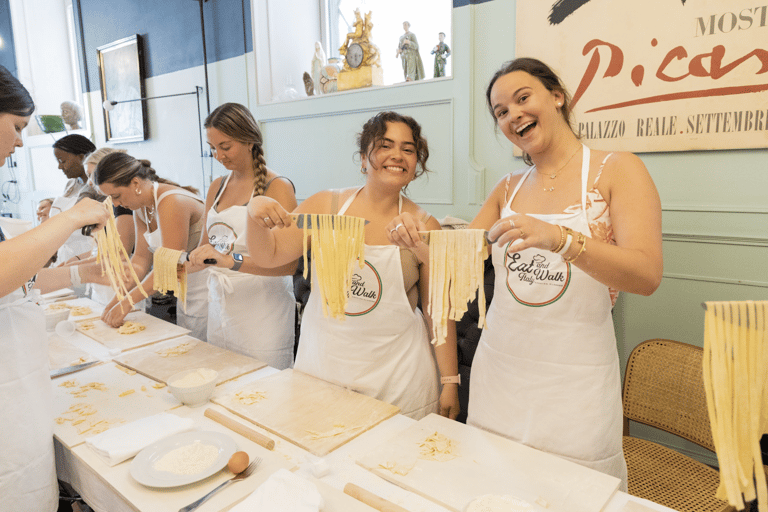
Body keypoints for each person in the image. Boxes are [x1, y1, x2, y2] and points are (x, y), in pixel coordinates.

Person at [390, 58, 662, 487]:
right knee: (493, 486)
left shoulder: (618, 169)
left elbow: (646, 275)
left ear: (557, 96)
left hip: (576, 381)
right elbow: (458, 264)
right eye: (500, 111)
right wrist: (420, 245)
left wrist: (564, 239)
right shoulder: (507, 188)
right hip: (500, 374)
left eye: (522, 98)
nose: (512, 114)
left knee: (574, 491)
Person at [244, 111, 460, 420]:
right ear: (363, 158)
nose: (397, 155)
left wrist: (450, 381)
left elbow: (438, 309)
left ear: (416, 166)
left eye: (408, 149)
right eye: (385, 145)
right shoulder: (326, 207)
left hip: (398, 377)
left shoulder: (427, 226)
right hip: (323, 367)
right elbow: (270, 256)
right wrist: (254, 215)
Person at [0, 65, 111, 512]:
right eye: (17, 127)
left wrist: (81, 274)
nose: (20, 142)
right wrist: (69, 218)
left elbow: (16, 283)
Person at [188, 103, 296, 368]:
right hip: (221, 310)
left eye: (225, 147)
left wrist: (229, 261)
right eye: (213, 148)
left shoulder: (277, 187)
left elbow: (288, 265)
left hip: (263, 316)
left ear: (249, 141)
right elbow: (205, 249)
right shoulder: (217, 186)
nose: (218, 156)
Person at [93, 153, 209, 340]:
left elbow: (169, 266)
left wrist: (127, 303)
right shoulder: (141, 206)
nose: (115, 204)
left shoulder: (171, 201)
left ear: (136, 184)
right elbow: (140, 260)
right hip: (187, 289)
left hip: (208, 286)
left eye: (116, 196)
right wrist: (116, 300)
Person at [78, 147, 134, 305]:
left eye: (92, 175)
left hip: (120, 283)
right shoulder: (106, 204)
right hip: (102, 284)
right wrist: (75, 261)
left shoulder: (124, 207)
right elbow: (101, 249)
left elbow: (120, 253)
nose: (89, 182)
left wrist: (74, 269)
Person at [49, 134, 97, 264]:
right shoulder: (71, 184)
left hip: (87, 255)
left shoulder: (98, 188)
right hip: (64, 253)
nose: (59, 167)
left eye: (62, 161)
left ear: (82, 157)